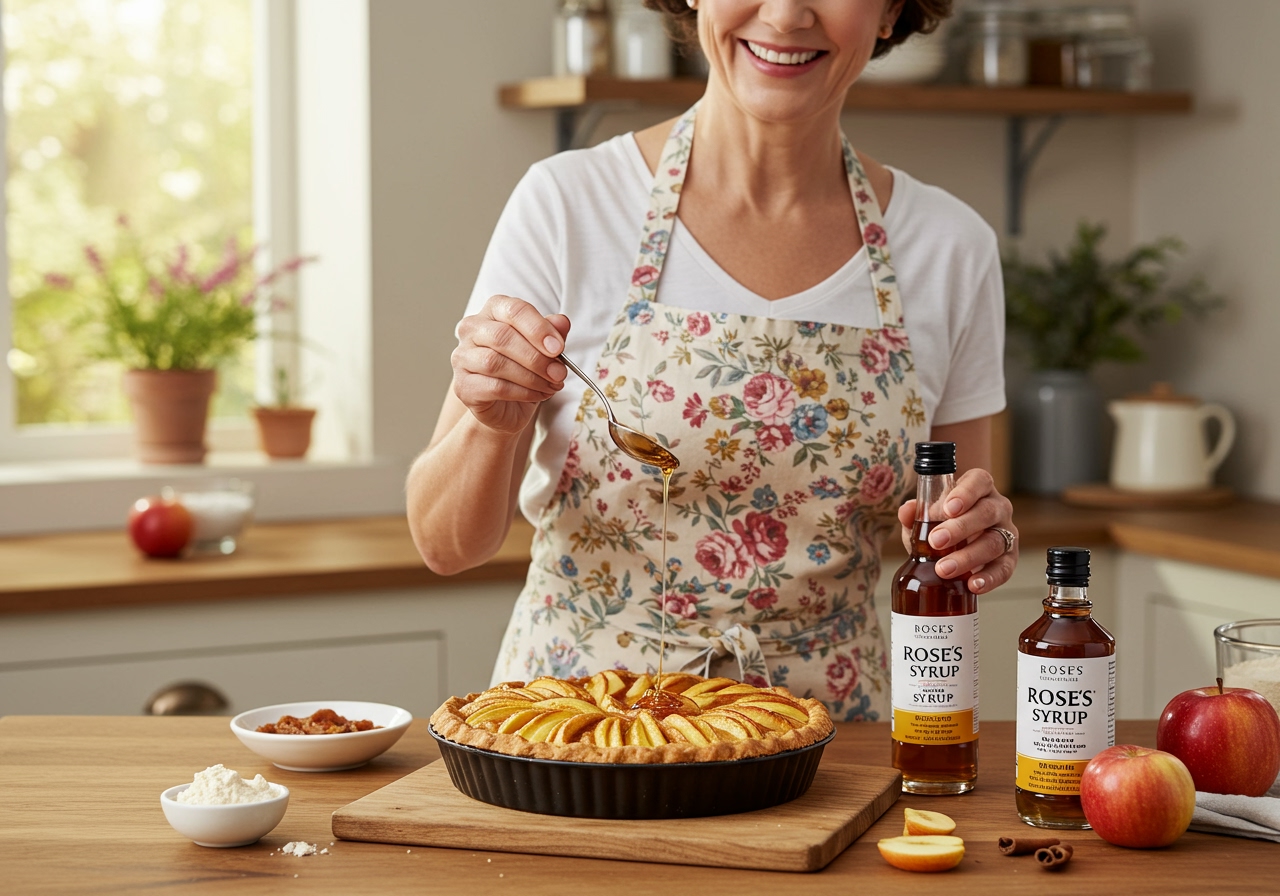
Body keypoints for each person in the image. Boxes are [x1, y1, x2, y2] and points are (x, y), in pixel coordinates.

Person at [407, 0, 1019, 721]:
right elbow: (446, 545)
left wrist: (980, 536)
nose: (788, 15)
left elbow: (955, 525)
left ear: (890, 12)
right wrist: (492, 423)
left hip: (830, 748)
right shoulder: (569, 206)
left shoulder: (951, 247)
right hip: (577, 735)